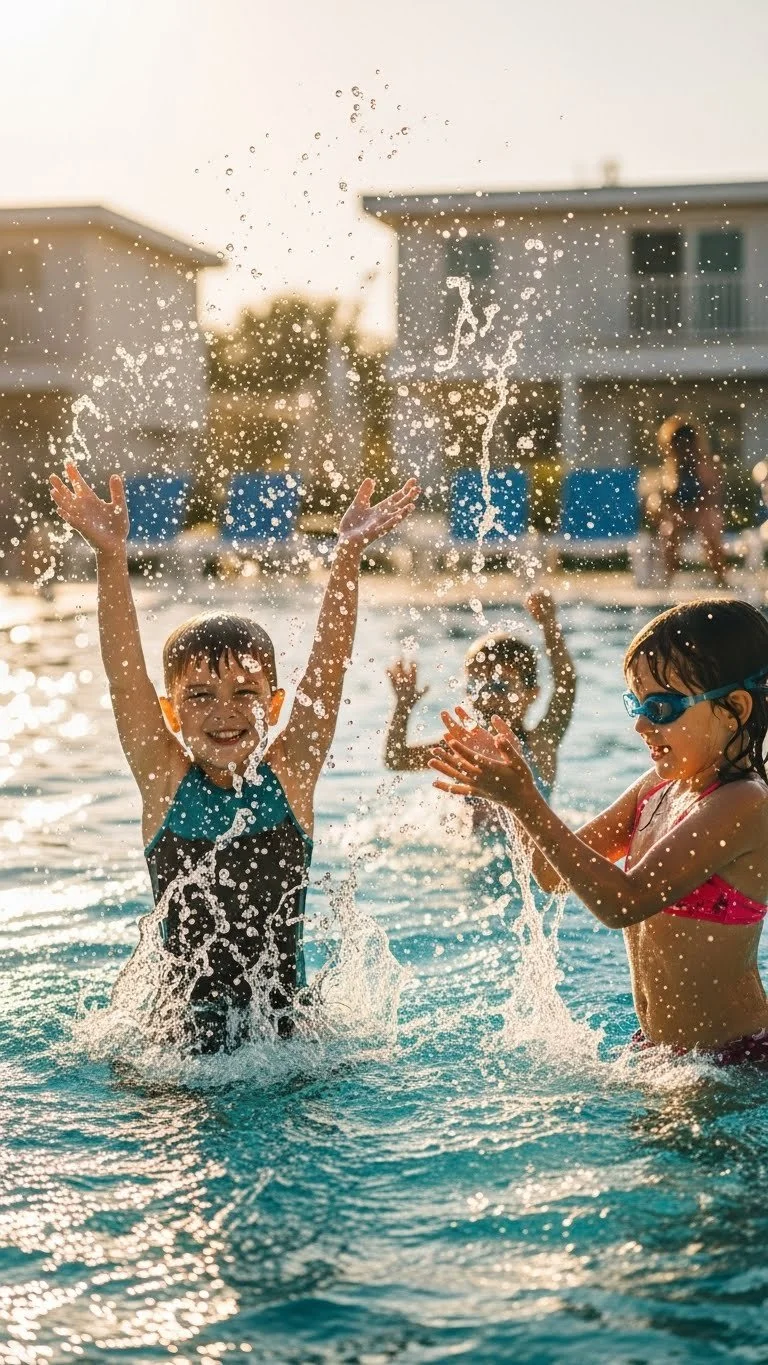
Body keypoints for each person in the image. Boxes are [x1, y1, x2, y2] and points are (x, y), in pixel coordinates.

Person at [50, 460, 419, 1053]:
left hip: (289, 1033)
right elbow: (125, 677)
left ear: (272, 705)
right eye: (200, 696)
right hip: (181, 1042)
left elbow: (327, 671)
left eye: (244, 693)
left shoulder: (290, 775)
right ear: (170, 712)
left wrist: (347, 556)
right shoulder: (164, 781)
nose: (225, 712)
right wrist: (110, 557)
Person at [431, 599, 768, 1064]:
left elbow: (623, 902)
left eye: (662, 706)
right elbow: (551, 876)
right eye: (636, 703)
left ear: (734, 707)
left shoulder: (746, 802)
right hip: (658, 1055)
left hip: (733, 1060)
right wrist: (506, 791)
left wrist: (527, 799)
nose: (640, 724)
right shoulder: (656, 789)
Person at [384, 589, 576, 804]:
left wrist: (549, 625)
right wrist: (403, 706)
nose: (487, 696)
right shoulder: (461, 746)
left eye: (501, 686)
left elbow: (566, 684)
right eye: (477, 684)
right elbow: (396, 758)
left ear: (532, 694)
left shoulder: (541, 743)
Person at [657, 416, 727, 588]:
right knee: (669, 529)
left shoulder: (704, 465)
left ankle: (720, 575)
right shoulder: (671, 467)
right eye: (678, 444)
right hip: (679, 512)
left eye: (687, 443)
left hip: (703, 511)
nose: (683, 448)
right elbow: (667, 498)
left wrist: (697, 510)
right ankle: (669, 576)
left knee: (709, 525)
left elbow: (712, 497)